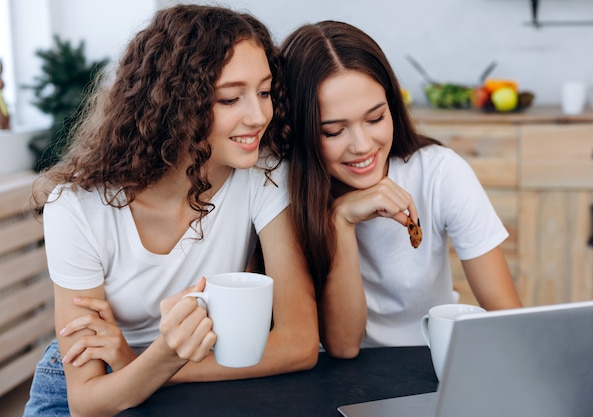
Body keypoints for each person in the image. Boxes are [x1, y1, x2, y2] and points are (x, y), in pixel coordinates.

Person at [23, 5, 318, 417]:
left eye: (265, 92)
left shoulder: (262, 174)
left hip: (192, 372)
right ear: (175, 105)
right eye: (231, 98)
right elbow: (88, 401)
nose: (259, 116)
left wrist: (139, 360)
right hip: (87, 389)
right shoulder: (77, 208)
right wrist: (157, 357)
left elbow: (300, 344)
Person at [279, 20, 522, 359]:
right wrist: (341, 221)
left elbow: (506, 315)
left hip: (430, 358)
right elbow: (345, 346)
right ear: (299, 130)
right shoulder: (281, 190)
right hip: (332, 374)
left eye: (376, 118)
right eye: (334, 132)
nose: (362, 146)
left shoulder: (439, 172)